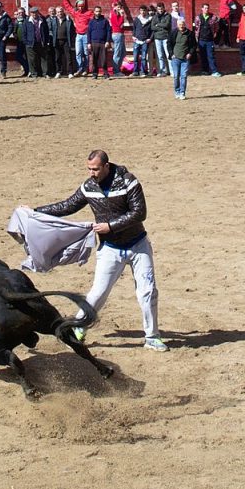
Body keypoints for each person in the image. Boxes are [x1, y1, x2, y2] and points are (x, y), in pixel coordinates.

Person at [35, 150, 166, 352]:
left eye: (95, 169)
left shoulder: (128, 182)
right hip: (111, 249)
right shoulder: (89, 187)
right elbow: (68, 206)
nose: (92, 173)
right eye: (89, 169)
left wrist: (110, 226)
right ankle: (78, 328)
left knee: (147, 291)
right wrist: (36, 211)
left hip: (138, 245)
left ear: (106, 166)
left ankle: (152, 336)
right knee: (98, 293)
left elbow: (139, 213)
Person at [169, 15, 197, 100]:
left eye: (182, 24)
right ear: (177, 25)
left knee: (184, 76)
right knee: (176, 76)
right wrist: (171, 54)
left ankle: (182, 92)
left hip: (185, 58)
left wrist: (190, 54)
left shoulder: (190, 33)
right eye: (179, 24)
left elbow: (194, 45)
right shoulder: (173, 33)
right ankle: (177, 91)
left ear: (185, 24)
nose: (181, 26)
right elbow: (169, 44)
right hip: (175, 58)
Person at [193, 3, 222, 77]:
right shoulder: (198, 18)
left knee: (211, 56)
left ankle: (214, 71)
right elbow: (196, 28)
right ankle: (205, 70)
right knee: (203, 56)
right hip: (201, 40)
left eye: (207, 8)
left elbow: (217, 27)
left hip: (209, 40)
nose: (206, 9)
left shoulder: (213, 17)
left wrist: (215, 33)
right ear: (202, 9)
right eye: (205, 8)